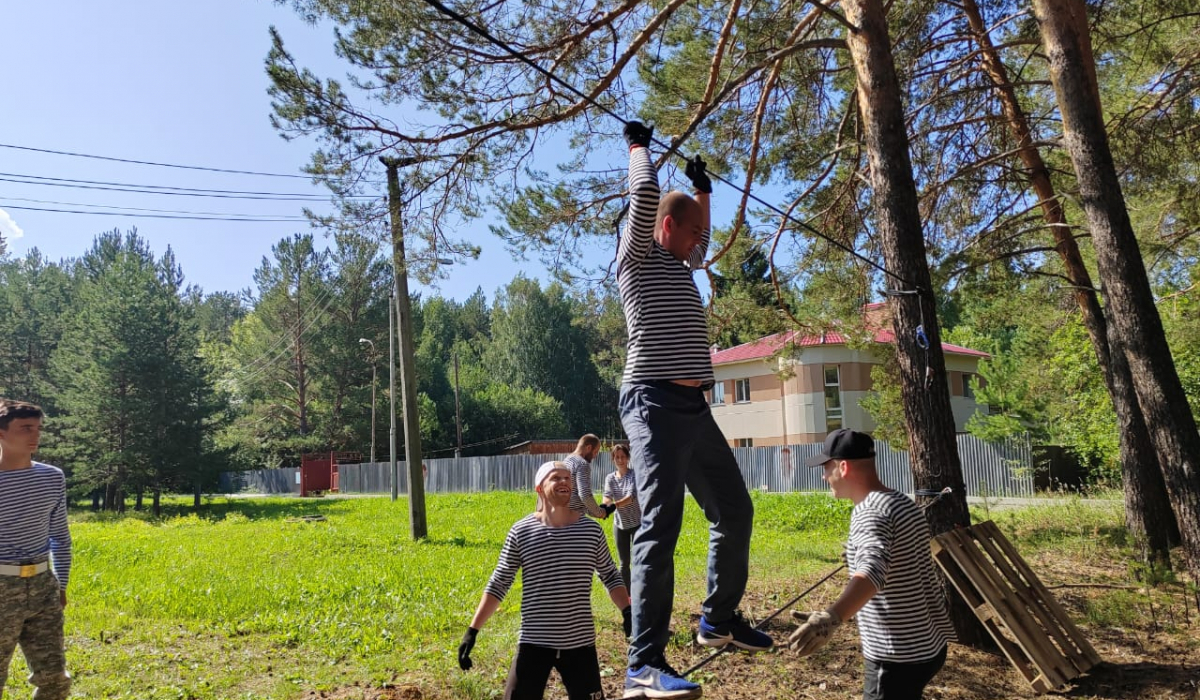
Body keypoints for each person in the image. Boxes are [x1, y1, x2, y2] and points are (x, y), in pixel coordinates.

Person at [616, 121, 770, 700]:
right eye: (691, 232)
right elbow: (646, 196)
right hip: (651, 400)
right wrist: (639, 149)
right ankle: (643, 664)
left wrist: (704, 190)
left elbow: (699, 234)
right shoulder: (637, 258)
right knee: (661, 524)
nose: (698, 246)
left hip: (693, 406)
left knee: (735, 509)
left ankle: (716, 620)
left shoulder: (682, 262)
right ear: (664, 227)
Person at [789, 429, 954, 700]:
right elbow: (897, 558)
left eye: (826, 468)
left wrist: (831, 617)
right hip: (929, 644)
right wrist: (855, 557)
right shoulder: (900, 501)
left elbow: (872, 574)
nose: (823, 476)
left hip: (897, 654)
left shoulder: (869, 512)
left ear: (843, 467)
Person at [459, 461, 632, 700]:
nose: (564, 482)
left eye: (567, 478)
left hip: (580, 643)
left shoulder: (591, 531)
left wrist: (627, 611)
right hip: (534, 641)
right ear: (539, 488)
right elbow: (499, 582)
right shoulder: (522, 531)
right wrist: (472, 630)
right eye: (556, 478)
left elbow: (610, 575)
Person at [0, 400, 72, 700]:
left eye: (38, 428)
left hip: (43, 585)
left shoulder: (52, 477)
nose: (35, 435)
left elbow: (60, 536)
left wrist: (62, 584)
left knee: (55, 679)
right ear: (2, 432)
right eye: (26, 428)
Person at [602, 444, 640, 590]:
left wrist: (613, 506)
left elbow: (631, 497)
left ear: (628, 458)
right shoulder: (610, 478)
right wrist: (604, 507)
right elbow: (607, 496)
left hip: (637, 523)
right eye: (617, 457)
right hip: (620, 525)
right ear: (613, 459)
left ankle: (640, 591)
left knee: (638, 560)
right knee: (624, 563)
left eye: (623, 457)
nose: (620, 460)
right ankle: (627, 595)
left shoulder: (634, 475)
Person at [566, 434, 613, 520]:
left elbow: (576, 498)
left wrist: (597, 511)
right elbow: (584, 495)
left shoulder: (567, 460)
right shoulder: (582, 464)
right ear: (588, 448)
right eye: (595, 452)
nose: (595, 456)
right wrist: (601, 513)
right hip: (575, 520)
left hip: (563, 515)